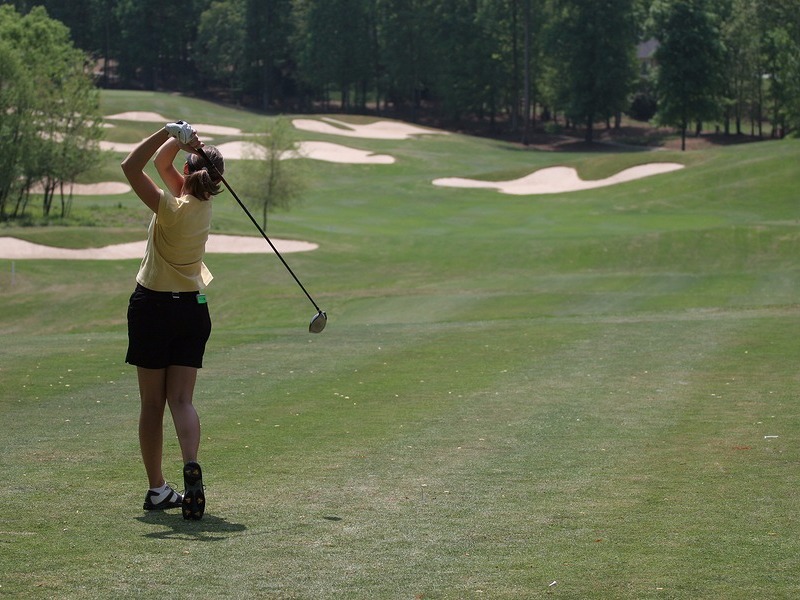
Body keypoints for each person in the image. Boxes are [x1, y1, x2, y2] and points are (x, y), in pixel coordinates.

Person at [121, 121, 225, 521]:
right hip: (193, 312)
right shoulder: (202, 205)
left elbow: (133, 167)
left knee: (152, 403)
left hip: (153, 309)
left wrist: (167, 132)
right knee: (181, 400)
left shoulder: (170, 207)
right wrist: (182, 143)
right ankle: (191, 465)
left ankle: (158, 490)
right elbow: (169, 168)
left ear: (187, 173)